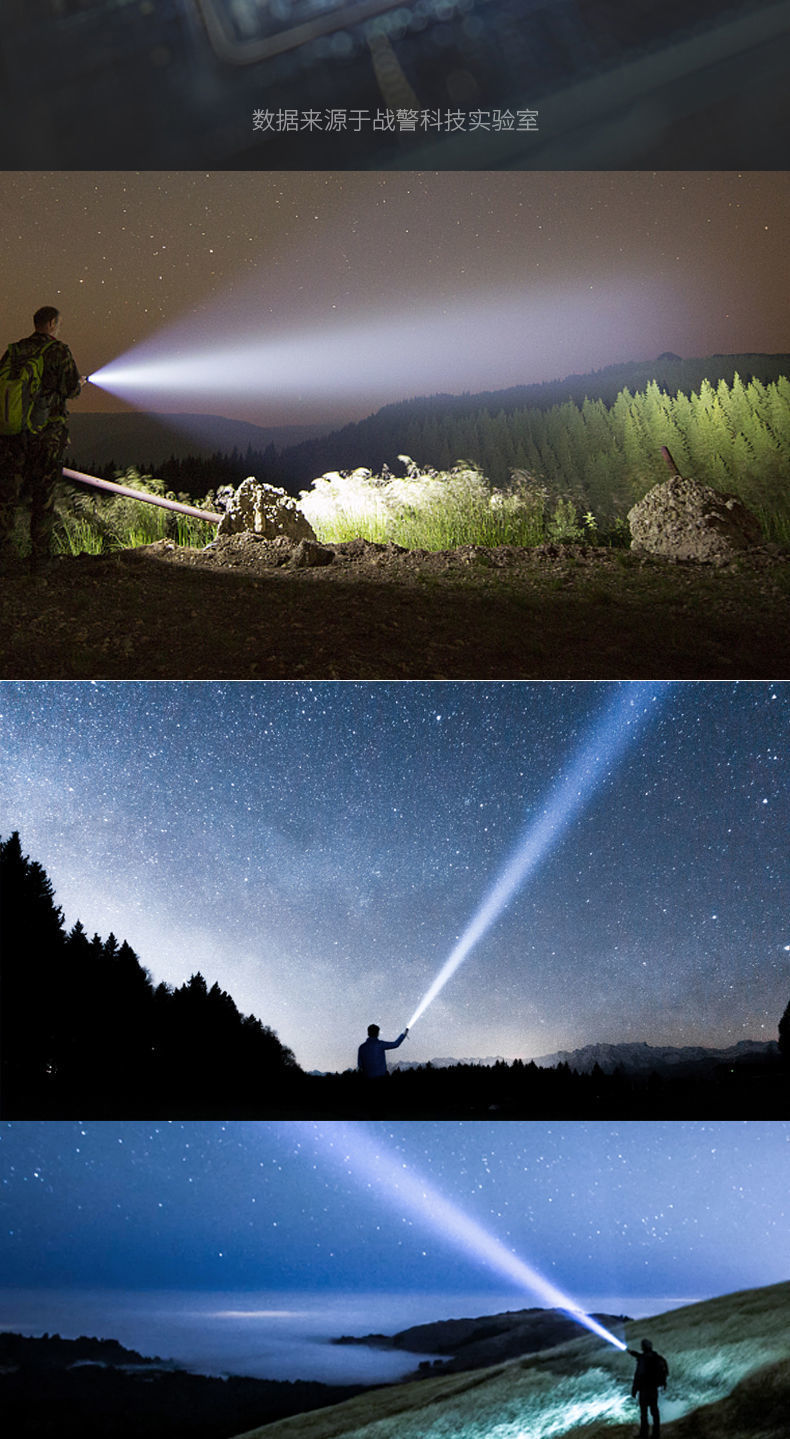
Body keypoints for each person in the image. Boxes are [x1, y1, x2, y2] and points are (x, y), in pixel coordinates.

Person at [0, 306, 82, 574]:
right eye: (58, 323)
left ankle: (4, 554)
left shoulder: (14, 350)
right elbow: (72, 389)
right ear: (51, 323)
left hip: (11, 434)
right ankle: (40, 560)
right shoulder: (59, 351)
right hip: (46, 435)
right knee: (43, 497)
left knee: (6, 495)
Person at [628, 1337, 668, 1438]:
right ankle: (656, 1434)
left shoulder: (642, 1359)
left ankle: (644, 1434)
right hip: (653, 1389)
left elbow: (638, 1375)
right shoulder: (657, 1357)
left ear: (643, 1347)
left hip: (644, 1390)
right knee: (654, 1411)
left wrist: (634, 1389)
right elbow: (665, 1371)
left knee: (644, 1413)